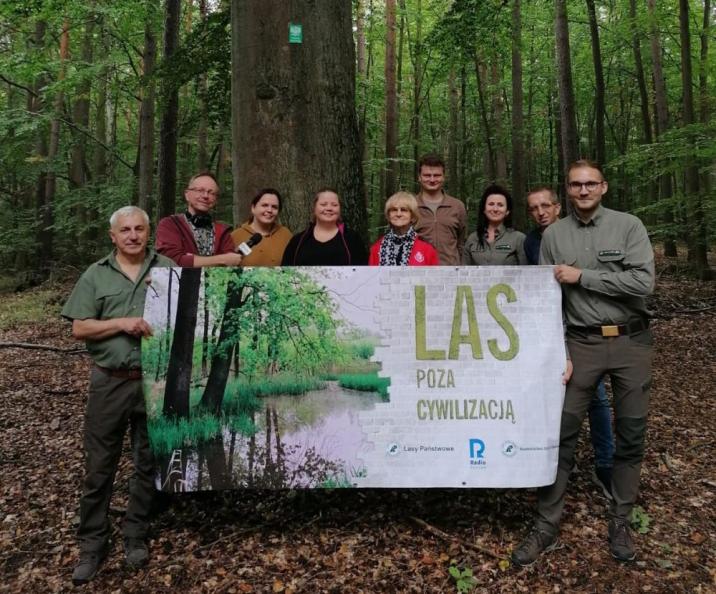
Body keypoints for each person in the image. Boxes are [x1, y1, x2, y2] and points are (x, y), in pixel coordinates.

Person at [512, 160, 654, 566]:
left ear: (603, 187)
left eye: (591, 183)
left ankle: (622, 519)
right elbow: (545, 300)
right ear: (568, 191)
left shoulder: (629, 227)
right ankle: (546, 524)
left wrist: (583, 277)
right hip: (580, 343)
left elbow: (643, 283)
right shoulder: (554, 235)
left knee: (630, 431)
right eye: (576, 184)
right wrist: (560, 351)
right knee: (562, 431)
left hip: (631, 341)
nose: (584, 190)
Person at [61, 207, 174, 585]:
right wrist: (120, 323)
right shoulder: (96, 274)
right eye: (124, 230)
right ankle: (92, 543)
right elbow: (79, 327)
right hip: (110, 381)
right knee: (99, 465)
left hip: (155, 381)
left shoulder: (167, 267)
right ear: (113, 236)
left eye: (139, 229)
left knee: (148, 461)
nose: (132, 235)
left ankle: (135, 534)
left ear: (147, 233)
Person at [525, 186, 615, 497]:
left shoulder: (578, 234)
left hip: (581, 324)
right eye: (534, 208)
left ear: (557, 207)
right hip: (547, 325)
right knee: (552, 396)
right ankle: (556, 464)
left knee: (595, 397)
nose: (541, 212)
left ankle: (606, 465)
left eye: (546, 205)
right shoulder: (531, 241)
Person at [155, 171, 243, 267]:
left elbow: (230, 264)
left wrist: (189, 258)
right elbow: (172, 261)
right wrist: (221, 259)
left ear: (216, 199)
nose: (205, 196)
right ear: (187, 195)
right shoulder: (170, 224)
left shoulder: (223, 231)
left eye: (211, 193)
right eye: (200, 190)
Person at [281, 188, 368, 266]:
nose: (329, 208)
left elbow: (363, 274)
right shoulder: (298, 241)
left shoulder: (352, 239)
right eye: (323, 204)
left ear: (340, 209)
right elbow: (284, 274)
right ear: (314, 208)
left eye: (334, 205)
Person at [414, 154, 467, 265]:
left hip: (451, 273)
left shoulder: (457, 206)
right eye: (427, 175)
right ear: (419, 177)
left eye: (437, 175)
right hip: (419, 272)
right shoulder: (410, 206)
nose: (432, 180)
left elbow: (461, 243)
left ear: (443, 177)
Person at [369, 192, 439, 266]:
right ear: (389, 216)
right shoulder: (376, 248)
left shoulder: (427, 249)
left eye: (403, 210)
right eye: (394, 210)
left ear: (413, 216)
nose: (398, 214)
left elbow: (434, 276)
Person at [462, 184, 526, 265]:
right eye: (491, 204)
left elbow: (526, 272)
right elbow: (464, 271)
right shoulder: (472, 239)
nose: (495, 209)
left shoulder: (518, 239)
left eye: (500, 205)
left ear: (507, 211)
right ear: (484, 209)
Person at [231, 188, 293, 266]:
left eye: (274, 207)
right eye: (265, 205)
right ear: (253, 208)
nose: (269, 210)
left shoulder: (286, 235)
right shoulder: (235, 236)